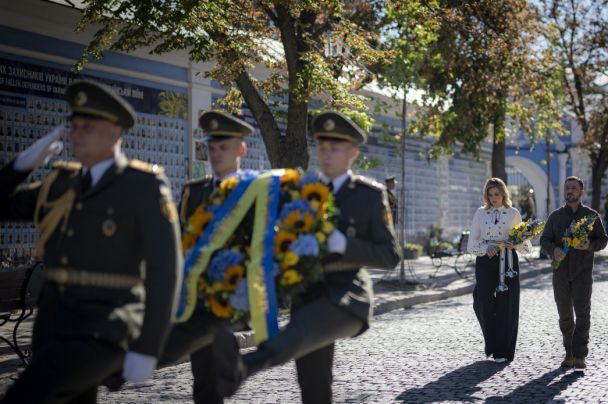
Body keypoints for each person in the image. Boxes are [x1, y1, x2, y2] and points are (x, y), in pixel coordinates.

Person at [0, 80, 182, 403]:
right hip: (53, 325)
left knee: (23, 397)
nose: (77, 134)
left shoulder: (142, 186)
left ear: (115, 133)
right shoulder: (60, 184)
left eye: (88, 127)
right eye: (74, 126)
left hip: (106, 328)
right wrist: (20, 166)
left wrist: (149, 347)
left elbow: (164, 271)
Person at [212, 111, 402, 403]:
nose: (326, 155)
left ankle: (245, 366)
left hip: (347, 294)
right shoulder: (300, 192)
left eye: (335, 148)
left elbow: (390, 256)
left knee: (305, 326)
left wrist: (343, 244)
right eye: (322, 147)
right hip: (307, 290)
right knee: (313, 386)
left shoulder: (368, 195)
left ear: (353, 153)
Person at [159, 111, 252, 404]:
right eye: (212, 148)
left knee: (217, 357)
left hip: (238, 295)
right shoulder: (194, 192)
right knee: (204, 381)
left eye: (224, 148)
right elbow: (182, 242)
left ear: (241, 149)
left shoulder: (256, 191)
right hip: (199, 296)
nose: (216, 154)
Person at [540, 176, 607, 369]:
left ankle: (580, 355)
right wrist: (554, 250)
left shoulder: (592, 216)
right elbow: (545, 239)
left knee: (583, 314)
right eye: (567, 188)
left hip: (583, 273)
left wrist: (589, 245)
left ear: (581, 191)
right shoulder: (555, 216)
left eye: (573, 188)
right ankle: (568, 352)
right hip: (560, 273)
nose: (569, 191)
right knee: (565, 316)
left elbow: (603, 240)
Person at [467, 178, 531, 363]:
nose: (494, 198)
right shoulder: (480, 213)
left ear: (504, 194)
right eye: (490, 194)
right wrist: (486, 247)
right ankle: (492, 343)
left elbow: (527, 247)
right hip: (485, 261)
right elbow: (471, 245)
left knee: (508, 306)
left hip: (509, 261)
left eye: (497, 194)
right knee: (482, 302)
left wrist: (515, 243)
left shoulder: (513, 213)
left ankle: (503, 351)